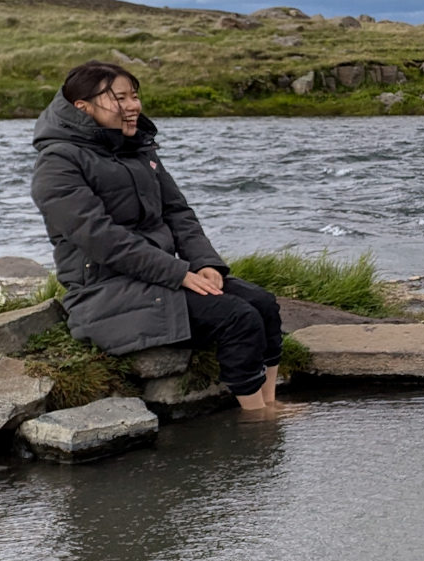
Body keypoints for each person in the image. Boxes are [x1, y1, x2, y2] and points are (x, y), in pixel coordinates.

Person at [31, 61, 284, 411]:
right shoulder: (57, 164)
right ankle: (256, 419)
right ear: (82, 107)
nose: (133, 106)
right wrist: (178, 273)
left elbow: (177, 213)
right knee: (237, 317)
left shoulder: (138, 147)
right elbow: (102, 238)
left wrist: (206, 263)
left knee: (262, 304)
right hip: (105, 291)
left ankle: (271, 403)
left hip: (161, 279)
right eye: (119, 98)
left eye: (135, 96)